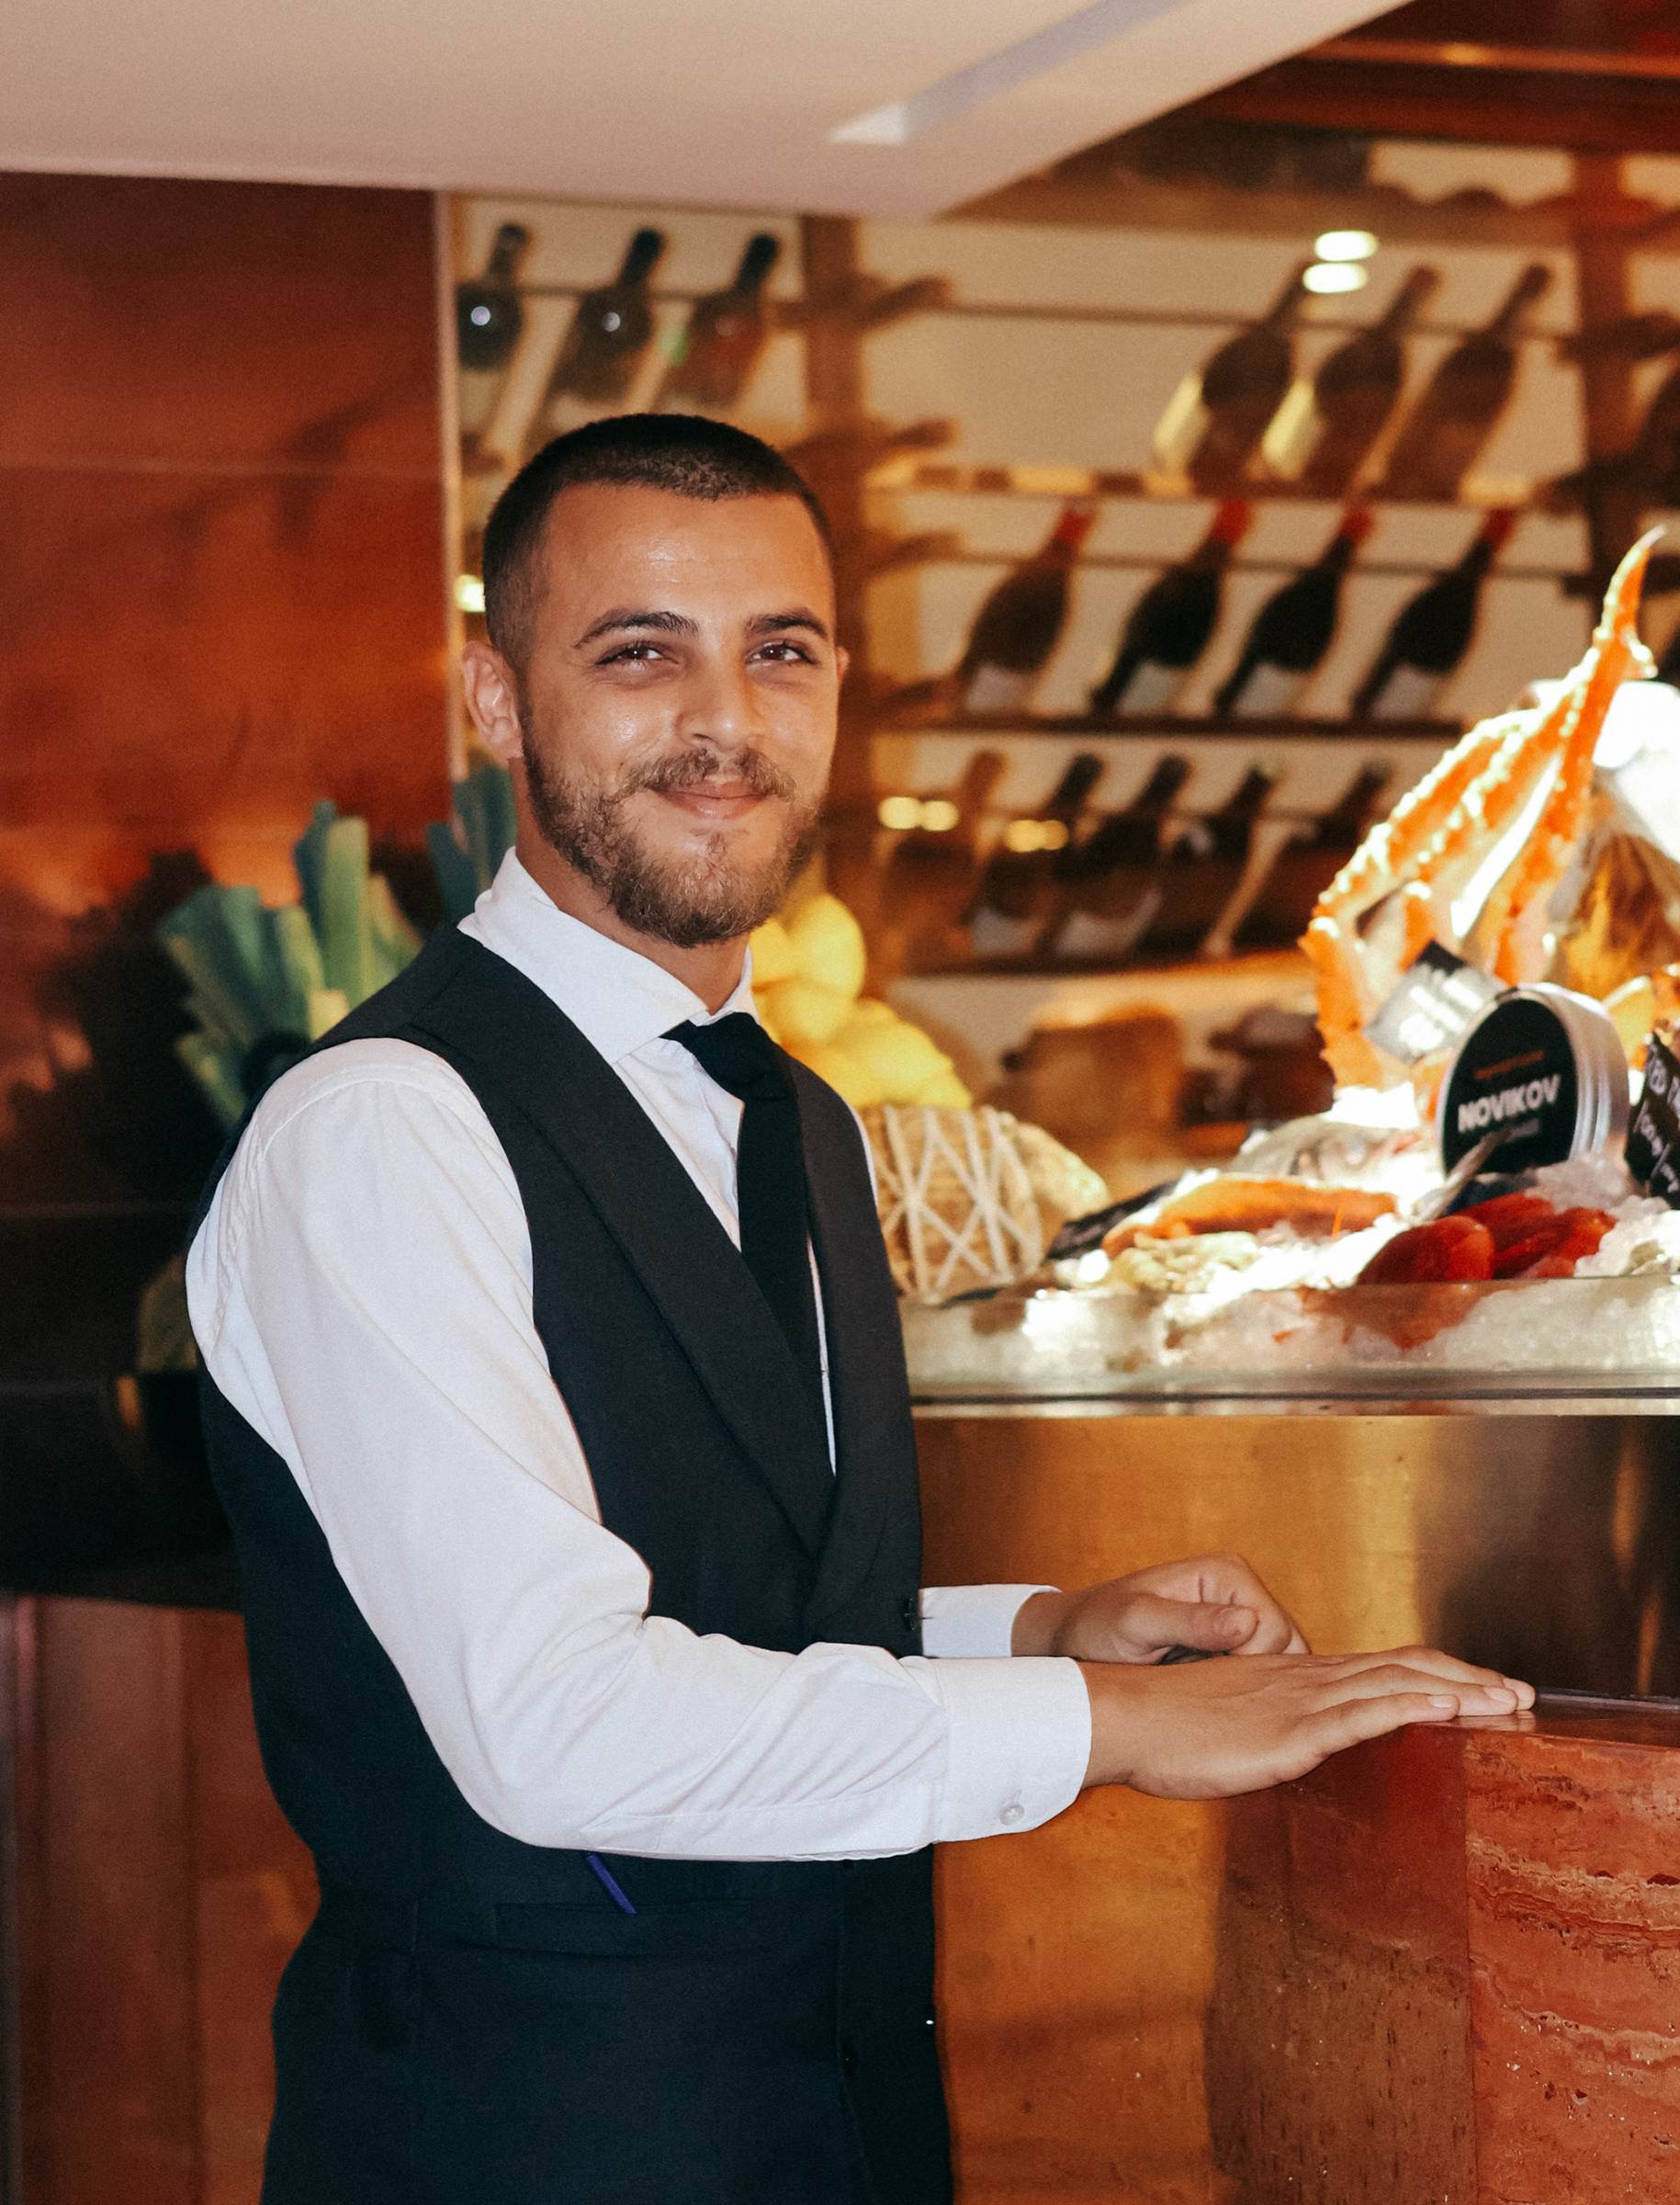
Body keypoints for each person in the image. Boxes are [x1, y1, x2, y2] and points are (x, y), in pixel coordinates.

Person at [186, 413, 1530, 2205]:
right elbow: (556, 1719)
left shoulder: (800, 1116)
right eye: (641, 652)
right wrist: (1111, 1727)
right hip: (517, 2147)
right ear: (496, 697)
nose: (724, 720)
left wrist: (1039, 1633)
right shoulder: (382, 1130)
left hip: (842, 2131)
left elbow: (732, 1600)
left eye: (783, 653)